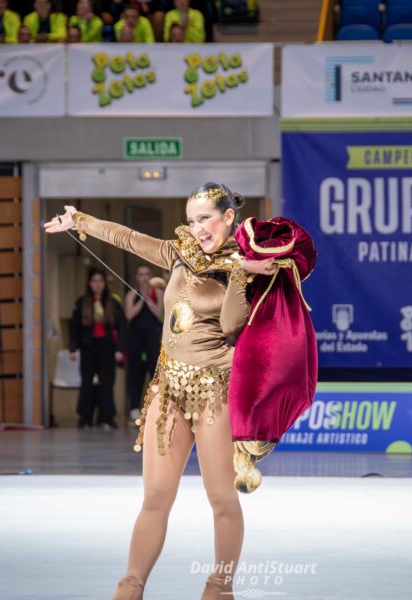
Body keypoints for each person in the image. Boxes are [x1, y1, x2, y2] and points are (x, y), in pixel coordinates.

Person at [45, 182, 277, 599]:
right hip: (168, 390)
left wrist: (240, 273)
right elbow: (128, 238)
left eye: (205, 218)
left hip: (215, 392)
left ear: (227, 217)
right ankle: (130, 586)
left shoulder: (247, 265)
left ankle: (220, 587)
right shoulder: (178, 253)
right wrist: (78, 220)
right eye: (191, 220)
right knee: (154, 497)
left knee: (221, 497)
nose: (197, 228)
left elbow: (231, 328)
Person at [70, 269, 126, 431]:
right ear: (89, 283)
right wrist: (73, 349)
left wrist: (120, 349)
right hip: (88, 347)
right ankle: (85, 417)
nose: (97, 284)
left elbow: (121, 327)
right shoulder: (81, 302)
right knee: (87, 383)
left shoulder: (112, 302)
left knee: (107, 383)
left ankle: (107, 417)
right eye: (94, 281)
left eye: (100, 281)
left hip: (107, 348)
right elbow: (75, 328)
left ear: (105, 284)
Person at [123, 263, 163, 424]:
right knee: (135, 373)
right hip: (135, 338)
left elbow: (159, 313)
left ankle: (155, 406)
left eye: (147, 274)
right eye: (141, 274)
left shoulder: (158, 293)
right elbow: (129, 315)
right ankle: (134, 407)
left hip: (152, 337)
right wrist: (141, 299)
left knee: (154, 372)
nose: (144, 277)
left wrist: (148, 298)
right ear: (136, 277)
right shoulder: (131, 294)